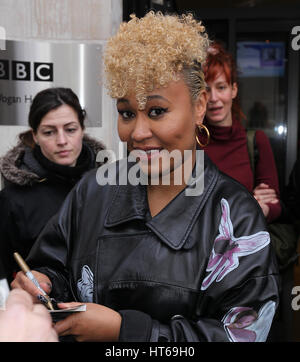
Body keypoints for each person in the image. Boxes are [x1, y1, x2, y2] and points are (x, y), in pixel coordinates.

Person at [12, 12, 279, 342]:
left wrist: (126, 332)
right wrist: (43, 281)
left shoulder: (236, 218)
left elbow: (241, 335)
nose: (137, 132)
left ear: (199, 106)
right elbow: (55, 268)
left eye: (156, 111)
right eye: (126, 113)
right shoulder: (92, 191)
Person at [0, 87, 106, 283]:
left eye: (70, 129)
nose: (62, 140)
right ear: (35, 136)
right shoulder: (13, 199)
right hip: (42, 308)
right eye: (49, 132)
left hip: (106, 309)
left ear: (82, 130)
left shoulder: (109, 185)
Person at [200, 42, 281, 224]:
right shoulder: (191, 142)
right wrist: (247, 203)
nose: (213, 98)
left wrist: (263, 208)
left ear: (233, 90)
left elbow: (275, 205)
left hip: (243, 247)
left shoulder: (255, 141)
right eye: (206, 89)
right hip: (201, 249)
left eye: (221, 87)